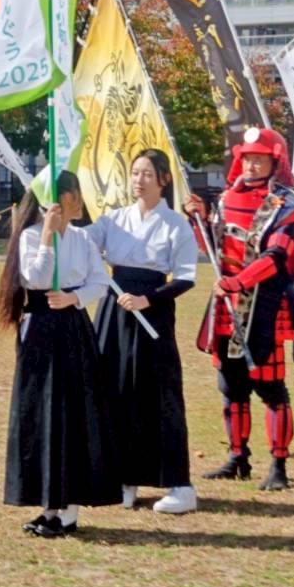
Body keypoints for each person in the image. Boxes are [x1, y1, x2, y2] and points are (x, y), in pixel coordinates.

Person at [188, 127, 294, 491]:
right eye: (248, 157)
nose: (252, 164)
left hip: (262, 304)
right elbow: (214, 247)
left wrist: (240, 282)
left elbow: (279, 256)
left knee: (270, 387)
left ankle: (279, 463)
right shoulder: (226, 199)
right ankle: (238, 456)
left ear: (276, 161)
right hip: (226, 302)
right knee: (231, 385)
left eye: (260, 158)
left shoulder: (286, 203)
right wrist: (197, 221)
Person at [0, 171, 120, 536]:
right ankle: (49, 506)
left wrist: (74, 298)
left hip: (74, 330)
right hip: (39, 330)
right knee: (41, 414)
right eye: (73, 194)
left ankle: (69, 511)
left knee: (73, 414)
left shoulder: (83, 238)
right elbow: (34, 279)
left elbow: (100, 280)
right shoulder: (32, 237)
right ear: (56, 199)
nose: (79, 202)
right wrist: (48, 235)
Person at [88, 149, 199, 515]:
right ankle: (124, 479)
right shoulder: (114, 219)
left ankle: (180, 485)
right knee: (115, 391)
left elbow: (185, 277)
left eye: (147, 173)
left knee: (158, 394)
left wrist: (147, 300)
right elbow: (82, 242)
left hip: (153, 313)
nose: (139, 180)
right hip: (114, 311)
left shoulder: (176, 225)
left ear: (164, 179)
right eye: (135, 173)